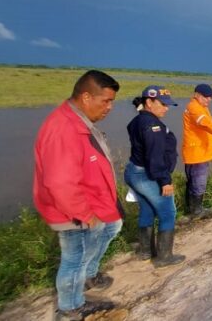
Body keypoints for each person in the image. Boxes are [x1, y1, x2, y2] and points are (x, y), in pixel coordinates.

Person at [33, 70, 122, 321]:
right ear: (86, 96)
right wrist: (85, 214)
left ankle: (87, 278)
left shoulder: (78, 121)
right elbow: (59, 182)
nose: (110, 107)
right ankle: (70, 308)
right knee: (74, 259)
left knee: (110, 229)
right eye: (105, 101)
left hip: (92, 204)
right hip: (74, 212)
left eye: (112, 101)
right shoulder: (64, 128)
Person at [124, 85, 185, 268]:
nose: (166, 108)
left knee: (147, 210)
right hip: (148, 175)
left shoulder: (140, 120)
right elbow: (155, 156)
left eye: (168, 105)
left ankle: (145, 251)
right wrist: (164, 180)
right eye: (163, 104)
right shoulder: (153, 125)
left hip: (134, 171)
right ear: (149, 102)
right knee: (168, 212)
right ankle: (164, 257)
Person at [182, 84, 212, 219]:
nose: (209, 99)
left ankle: (191, 210)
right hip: (197, 154)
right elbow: (203, 122)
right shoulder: (194, 108)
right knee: (198, 183)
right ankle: (197, 212)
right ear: (196, 95)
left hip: (198, 152)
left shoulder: (201, 107)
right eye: (205, 96)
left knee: (193, 182)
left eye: (211, 97)